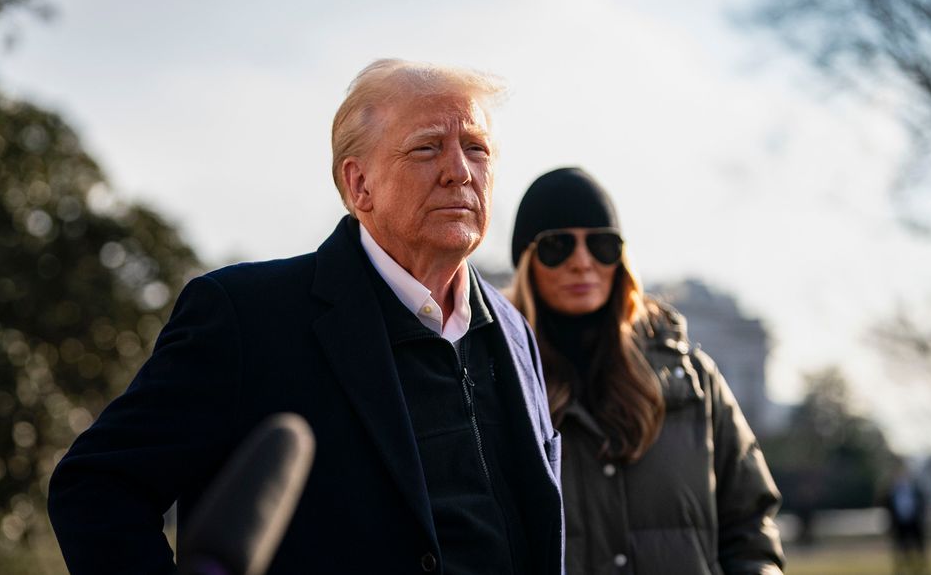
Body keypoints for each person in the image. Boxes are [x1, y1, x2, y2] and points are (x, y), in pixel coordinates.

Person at [48, 60, 564, 575]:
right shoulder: (246, 318)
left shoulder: (513, 329)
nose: (460, 171)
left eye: (477, 148)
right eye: (428, 147)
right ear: (359, 184)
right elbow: (97, 488)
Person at [507, 167, 784, 575]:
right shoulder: (498, 385)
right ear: (527, 262)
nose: (582, 263)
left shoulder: (692, 381)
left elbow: (750, 526)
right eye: (557, 246)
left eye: (602, 244)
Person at [882, 463, 928, 575]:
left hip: (913, 522)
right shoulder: (892, 492)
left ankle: (919, 567)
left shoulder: (915, 490)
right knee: (900, 547)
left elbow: (922, 505)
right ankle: (901, 568)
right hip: (899, 524)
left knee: (918, 546)